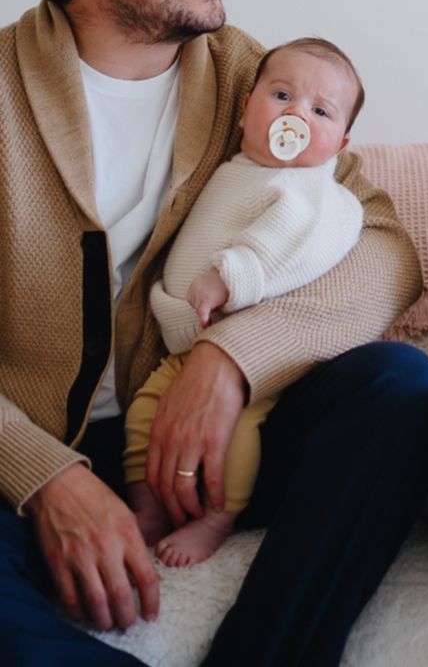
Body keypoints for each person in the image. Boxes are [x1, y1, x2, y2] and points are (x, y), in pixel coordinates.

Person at [0, 0, 428, 667]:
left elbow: (387, 244)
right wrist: (43, 476)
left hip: (225, 428)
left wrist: (234, 358)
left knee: (399, 385)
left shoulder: (256, 77)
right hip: (29, 444)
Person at [125, 37, 366, 567]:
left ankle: (218, 517)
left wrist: (231, 276)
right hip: (183, 348)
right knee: (144, 416)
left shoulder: (310, 190)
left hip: (253, 354)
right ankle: (147, 504)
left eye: (319, 111)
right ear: (244, 112)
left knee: (237, 436)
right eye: (281, 96)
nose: (295, 115)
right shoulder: (233, 168)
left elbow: (290, 239)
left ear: (340, 144)